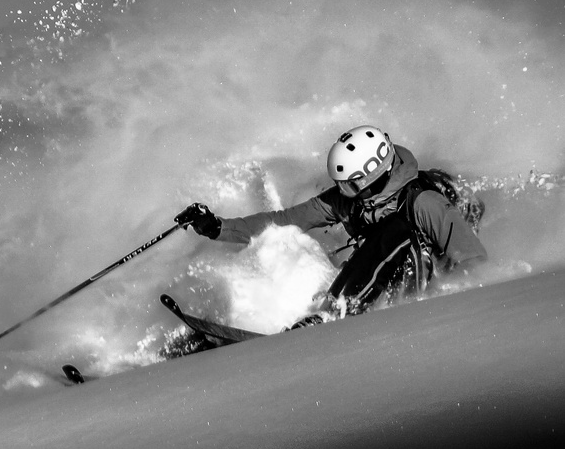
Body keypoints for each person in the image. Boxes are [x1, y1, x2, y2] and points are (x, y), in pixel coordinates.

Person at [175, 126, 487, 317]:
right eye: (341, 184)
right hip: (375, 280)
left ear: (373, 175)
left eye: (349, 184)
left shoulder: (424, 203)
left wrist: (446, 304)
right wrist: (218, 227)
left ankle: (336, 313)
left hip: (421, 279)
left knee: (396, 232)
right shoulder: (354, 199)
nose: (342, 192)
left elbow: (474, 259)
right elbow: (283, 222)